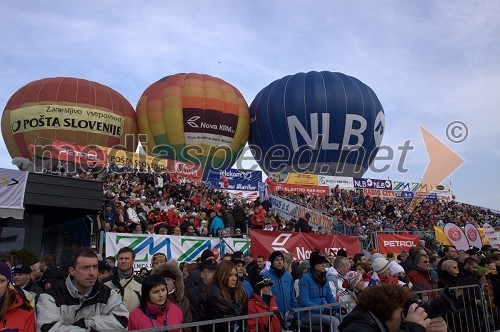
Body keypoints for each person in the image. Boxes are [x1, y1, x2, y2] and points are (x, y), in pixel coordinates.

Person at [36, 247, 129, 331]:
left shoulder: (107, 293)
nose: (92, 273)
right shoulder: (50, 296)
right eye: (85, 268)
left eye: (95, 267)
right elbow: (48, 329)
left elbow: (122, 320)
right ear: (72, 271)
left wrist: (87, 324)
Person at [338, 284, 448, 332]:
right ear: (385, 310)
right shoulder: (359, 327)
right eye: (404, 312)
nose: (407, 317)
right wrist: (413, 329)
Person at [298, 251, 340, 331]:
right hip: (308, 314)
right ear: (314, 264)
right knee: (334, 321)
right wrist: (324, 309)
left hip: (322, 311)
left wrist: (338, 308)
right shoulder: (305, 279)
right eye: (321, 263)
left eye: (324, 262)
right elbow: (304, 301)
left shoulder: (324, 278)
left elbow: (329, 297)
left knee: (344, 317)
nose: (324, 265)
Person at [205, 260, 248, 331]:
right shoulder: (210, 294)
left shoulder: (241, 293)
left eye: (236, 275)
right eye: (230, 275)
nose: (234, 279)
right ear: (222, 275)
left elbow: (244, 320)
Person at [103, 246, 143, 311]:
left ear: (133, 261)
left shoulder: (142, 283)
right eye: (121, 258)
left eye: (126, 258)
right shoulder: (105, 283)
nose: (123, 261)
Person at [0, 261, 35, 331]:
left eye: (0, 281)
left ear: (8, 284)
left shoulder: (25, 313)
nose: (17, 277)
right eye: (15, 274)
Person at [263, 251, 298, 317]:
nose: (280, 262)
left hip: (288, 314)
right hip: (273, 314)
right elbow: (263, 298)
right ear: (272, 262)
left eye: (281, 259)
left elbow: (292, 296)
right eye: (277, 260)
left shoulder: (288, 276)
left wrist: (295, 313)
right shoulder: (265, 276)